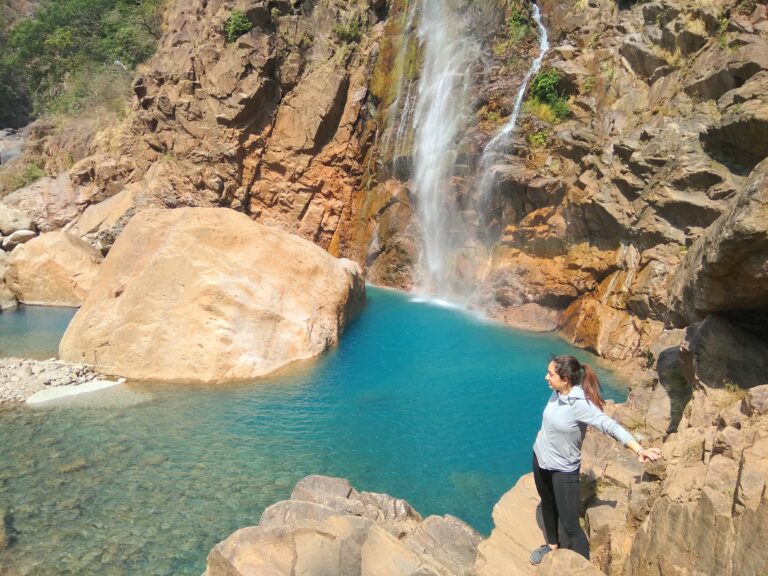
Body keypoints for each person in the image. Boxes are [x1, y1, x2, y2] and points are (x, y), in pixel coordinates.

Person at [529, 355, 661, 565]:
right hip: (541, 458)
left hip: (563, 469)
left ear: (565, 379)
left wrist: (639, 449)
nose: (546, 377)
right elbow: (553, 420)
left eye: (550, 374)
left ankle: (583, 569)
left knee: (571, 526)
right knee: (547, 503)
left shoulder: (580, 405)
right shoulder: (556, 392)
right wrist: (543, 434)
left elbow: (609, 425)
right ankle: (551, 546)